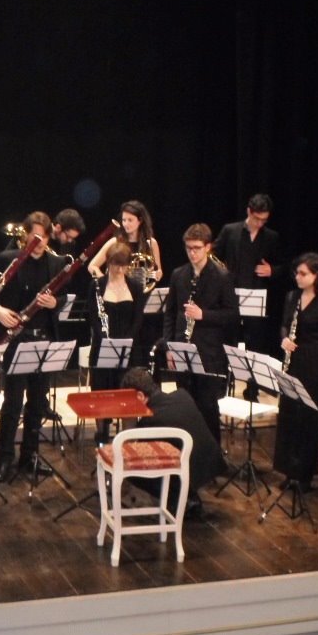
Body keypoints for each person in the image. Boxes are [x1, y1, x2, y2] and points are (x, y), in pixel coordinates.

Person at [0, 211, 67, 482]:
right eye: (34, 236)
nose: (39, 242)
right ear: (25, 236)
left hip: (43, 339)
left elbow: (64, 297)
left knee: (37, 403)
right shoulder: (8, 259)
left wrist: (55, 303)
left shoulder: (56, 263)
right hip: (15, 339)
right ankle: (5, 458)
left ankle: (29, 456)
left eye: (43, 237)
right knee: (12, 402)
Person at [161, 223, 238, 443]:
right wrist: (169, 347)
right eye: (188, 248)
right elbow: (170, 313)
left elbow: (232, 315)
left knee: (207, 407)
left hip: (208, 353)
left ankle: (211, 454)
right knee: (184, 405)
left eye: (196, 248)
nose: (192, 253)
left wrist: (203, 315)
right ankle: (186, 451)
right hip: (181, 349)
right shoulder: (179, 274)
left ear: (208, 247)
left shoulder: (222, 276)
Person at [273, 253, 318, 492]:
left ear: (316, 276)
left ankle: (305, 476)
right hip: (294, 364)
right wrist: (284, 339)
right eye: (297, 273)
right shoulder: (292, 297)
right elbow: (284, 325)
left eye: (303, 274)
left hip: (317, 366)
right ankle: (289, 472)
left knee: (309, 422)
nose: (298, 277)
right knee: (289, 417)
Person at [121, 367, 226, 514]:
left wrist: (129, 423)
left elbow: (136, 455)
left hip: (188, 473)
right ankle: (188, 496)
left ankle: (178, 499)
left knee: (131, 470)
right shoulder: (182, 395)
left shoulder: (149, 421)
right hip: (211, 466)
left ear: (140, 396)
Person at [212, 194, 284, 395]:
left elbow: (284, 267)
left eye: (264, 220)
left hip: (256, 301)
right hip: (230, 299)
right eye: (257, 218)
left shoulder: (271, 237)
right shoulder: (230, 231)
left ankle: (252, 392)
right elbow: (213, 256)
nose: (259, 223)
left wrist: (272, 270)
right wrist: (222, 274)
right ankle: (223, 390)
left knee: (256, 349)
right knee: (228, 345)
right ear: (248, 212)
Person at [87, 242, 146, 443]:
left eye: (123, 266)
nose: (119, 270)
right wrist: (106, 340)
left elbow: (138, 319)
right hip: (102, 348)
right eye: (115, 265)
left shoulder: (135, 287)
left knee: (128, 398)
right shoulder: (97, 286)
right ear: (108, 263)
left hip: (129, 350)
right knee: (102, 397)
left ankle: (128, 442)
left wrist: (126, 341)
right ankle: (102, 440)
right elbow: (93, 318)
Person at [88, 200, 163, 288]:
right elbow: (92, 266)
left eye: (130, 220)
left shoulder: (151, 243)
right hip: (118, 292)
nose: (126, 224)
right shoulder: (115, 242)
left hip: (141, 291)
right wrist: (107, 283)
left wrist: (157, 274)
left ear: (140, 220)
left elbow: (158, 270)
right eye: (124, 220)